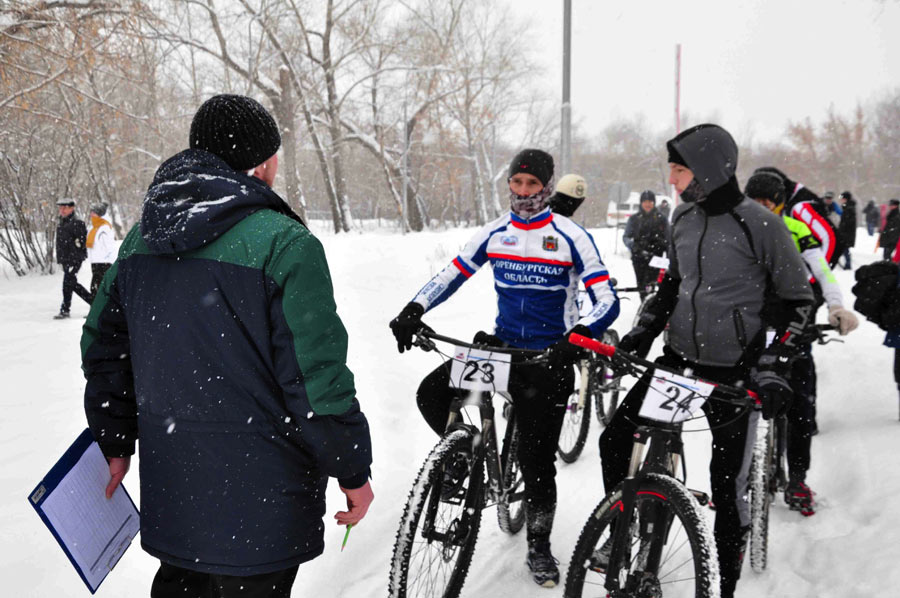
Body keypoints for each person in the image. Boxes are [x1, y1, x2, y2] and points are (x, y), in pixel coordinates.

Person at [81, 94, 373, 598]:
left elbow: (104, 349)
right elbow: (315, 380)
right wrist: (351, 467)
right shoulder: (285, 244)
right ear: (262, 163)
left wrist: (114, 439)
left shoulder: (137, 243)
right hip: (263, 504)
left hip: (176, 494)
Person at [598, 124, 815, 598]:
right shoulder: (683, 218)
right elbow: (674, 285)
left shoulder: (761, 224)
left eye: (680, 169)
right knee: (615, 440)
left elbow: (798, 302)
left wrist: (775, 365)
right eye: (672, 169)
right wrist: (642, 331)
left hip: (735, 375)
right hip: (679, 363)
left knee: (727, 487)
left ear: (710, 169)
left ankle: (725, 586)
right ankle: (624, 525)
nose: (672, 179)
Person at [389, 148, 619, 588]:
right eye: (517, 183)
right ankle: (465, 453)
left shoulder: (570, 235)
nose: (524, 192)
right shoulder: (496, 232)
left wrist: (580, 335)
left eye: (533, 185)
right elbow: (452, 273)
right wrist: (414, 308)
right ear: (509, 184)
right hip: (501, 351)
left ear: (548, 188)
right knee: (431, 393)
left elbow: (605, 298)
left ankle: (538, 545)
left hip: (549, 360)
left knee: (537, 465)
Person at [745, 172, 858, 514]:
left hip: (794, 327)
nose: (762, 208)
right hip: (749, 326)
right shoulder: (737, 231)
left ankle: (797, 478)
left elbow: (823, 272)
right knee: (738, 405)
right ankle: (739, 473)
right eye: (756, 202)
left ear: (780, 204)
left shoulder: (796, 231)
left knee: (801, 409)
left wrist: (836, 305)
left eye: (769, 202)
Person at [753, 166, 845, 268]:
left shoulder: (800, 206)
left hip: (804, 273)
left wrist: (812, 278)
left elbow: (832, 240)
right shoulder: (789, 200)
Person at [622, 190, 669, 300]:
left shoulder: (661, 218)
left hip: (656, 257)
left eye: (650, 202)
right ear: (641, 203)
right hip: (638, 257)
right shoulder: (634, 219)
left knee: (652, 286)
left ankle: (650, 306)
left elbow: (668, 239)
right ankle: (644, 305)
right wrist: (634, 246)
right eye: (645, 202)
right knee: (642, 286)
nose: (648, 204)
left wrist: (666, 251)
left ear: (654, 203)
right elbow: (626, 237)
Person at [54, 198, 91, 319]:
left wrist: (75, 257)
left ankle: (65, 309)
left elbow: (81, 242)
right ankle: (94, 303)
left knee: (68, 283)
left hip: (74, 259)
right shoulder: (62, 222)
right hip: (66, 259)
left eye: (65, 208)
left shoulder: (77, 222)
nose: (62, 210)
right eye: (60, 208)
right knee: (71, 284)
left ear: (72, 208)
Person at [86, 202, 116, 300]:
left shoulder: (104, 228)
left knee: (99, 288)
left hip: (103, 263)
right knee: (95, 288)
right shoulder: (94, 227)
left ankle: (99, 312)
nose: (91, 214)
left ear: (99, 214)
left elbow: (109, 247)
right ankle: (96, 311)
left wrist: (106, 260)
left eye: (93, 212)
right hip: (95, 262)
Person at [837, 191, 857, 270]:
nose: (841, 200)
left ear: (846, 199)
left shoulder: (849, 209)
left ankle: (848, 264)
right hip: (846, 233)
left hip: (846, 233)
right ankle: (847, 264)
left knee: (844, 249)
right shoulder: (848, 207)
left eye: (842, 199)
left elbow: (847, 223)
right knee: (844, 249)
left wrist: (841, 231)